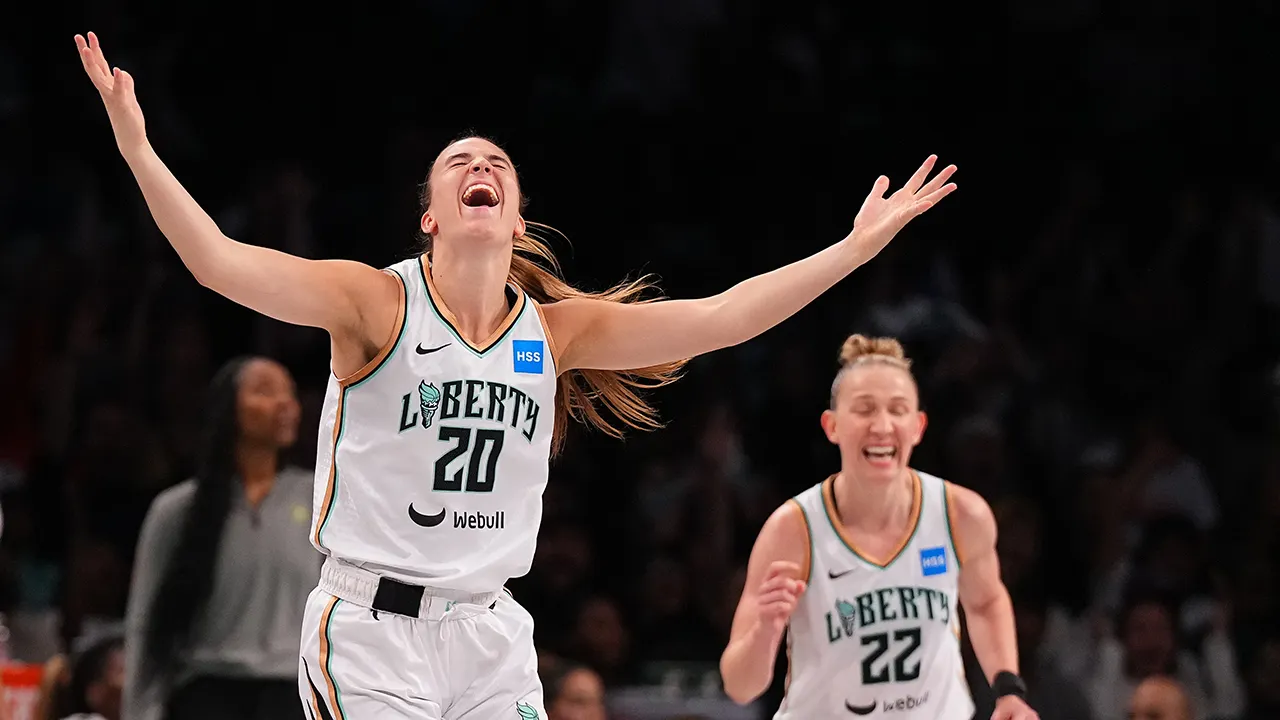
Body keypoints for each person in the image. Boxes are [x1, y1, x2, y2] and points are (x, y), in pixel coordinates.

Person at [75, 30, 957, 720]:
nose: (481, 167)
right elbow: (218, 262)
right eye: (459, 161)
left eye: (496, 162)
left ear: (516, 212)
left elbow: (726, 317)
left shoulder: (556, 331)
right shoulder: (375, 305)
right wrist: (137, 147)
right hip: (372, 631)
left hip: (489, 629)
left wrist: (854, 248)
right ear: (430, 215)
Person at [719, 335, 1039, 720]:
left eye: (897, 410)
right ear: (832, 425)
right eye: (865, 409)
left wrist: (1008, 691)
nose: (882, 426)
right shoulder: (793, 529)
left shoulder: (961, 514)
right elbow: (739, 686)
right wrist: (765, 632)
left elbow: (985, 602)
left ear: (918, 426)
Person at [123, 357, 318, 720]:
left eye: (289, 393)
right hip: (206, 694)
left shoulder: (318, 499)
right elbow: (144, 620)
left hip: (291, 695)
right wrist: (140, 709)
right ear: (226, 407)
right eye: (264, 390)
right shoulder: (178, 510)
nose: (284, 403)